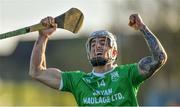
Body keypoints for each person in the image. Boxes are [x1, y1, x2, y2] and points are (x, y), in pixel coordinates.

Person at [29, 14, 167, 106]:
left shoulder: (128, 74)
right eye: (93, 44)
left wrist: (142, 27)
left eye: (103, 43)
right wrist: (42, 37)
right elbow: (37, 72)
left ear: (114, 52)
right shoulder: (78, 80)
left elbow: (159, 58)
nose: (97, 47)